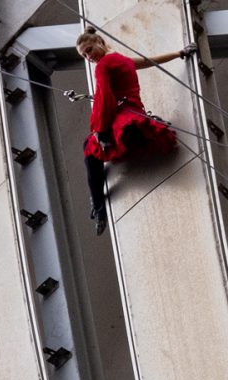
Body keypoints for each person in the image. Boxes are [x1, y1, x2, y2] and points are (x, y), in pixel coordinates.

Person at [79, 27, 191, 234]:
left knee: (89, 148)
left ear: (100, 42)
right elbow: (150, 61)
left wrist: (100, 130)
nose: (89, 57)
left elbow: (104, 97)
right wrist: (179, 53)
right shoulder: (123, 60)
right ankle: (98, 202)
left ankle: (98, 205)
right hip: (135, 114)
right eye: (84, 55)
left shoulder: (103, 65)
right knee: (92, 147)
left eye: (89, 50)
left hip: (123, 116)